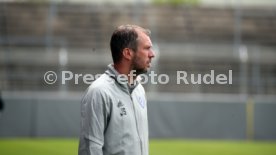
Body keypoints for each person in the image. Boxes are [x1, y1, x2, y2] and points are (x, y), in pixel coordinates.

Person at [78, 24, 155, 155]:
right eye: (147, 48)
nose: (152, 54)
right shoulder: (99, 92)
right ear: (127, 53)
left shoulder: (139, 90)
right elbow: (90, 149)